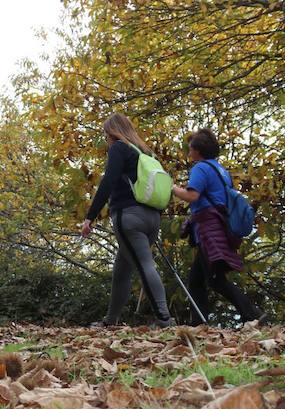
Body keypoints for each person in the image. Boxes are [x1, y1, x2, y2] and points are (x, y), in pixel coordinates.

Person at [80, 113, 174, 328]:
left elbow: (108, 181)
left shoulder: (119, 148)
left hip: (128, 216)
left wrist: (90, 217)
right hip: (152, 218)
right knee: (122, 269)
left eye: (106, 135)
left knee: (144, 265)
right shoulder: (144, 152)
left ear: (112, 133)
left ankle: (164, 319)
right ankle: (111, 320)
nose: (106, 139)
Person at [171, 128, 266, 325]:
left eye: (190, 149)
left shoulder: (201, 168)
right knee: (197, 281)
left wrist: (170, 187)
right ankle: (199, 324)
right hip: (221, 226)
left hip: (209, 229)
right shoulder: (221, 171)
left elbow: (192, 195)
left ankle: (253, 314)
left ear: (198, 150)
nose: (188, 153)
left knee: (215, 280)